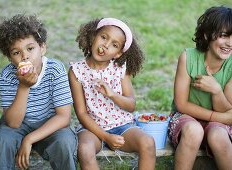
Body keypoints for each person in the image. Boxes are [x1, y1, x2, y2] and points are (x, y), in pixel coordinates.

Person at [0, 14, 77, 170]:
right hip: (18, 126)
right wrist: (23, 86)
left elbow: (64, 117)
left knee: (65, 142)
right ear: (10, 58)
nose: (25, 56)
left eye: (30, 48)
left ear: (42, 48)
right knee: (2, 141)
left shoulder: (55, 70)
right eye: (16, 52)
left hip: (51, 124)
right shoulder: (7, 75)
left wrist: (29, 139)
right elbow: (13, 123)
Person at [69, 17, 156, 170]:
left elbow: (131, 105)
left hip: (122, 126)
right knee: (84, 149)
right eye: (103, 37)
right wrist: (106, 137)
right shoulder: (77, 71)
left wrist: (112, 94)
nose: (105, 45)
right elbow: (82, 113)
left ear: (117, 53)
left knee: (148, 142)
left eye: (114, 45)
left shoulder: (120, 69)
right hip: (92, 129)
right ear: (93, 37)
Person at [168, 6, 232, 170]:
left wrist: (216, 90)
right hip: (186, 118)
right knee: (193, 131)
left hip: (220, 126)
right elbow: (181, 104)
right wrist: (217, 116)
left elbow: (228, 111)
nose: (229, 43)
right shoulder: (188, 57)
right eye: (224, 35)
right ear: (206, 35)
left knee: (219, 136)